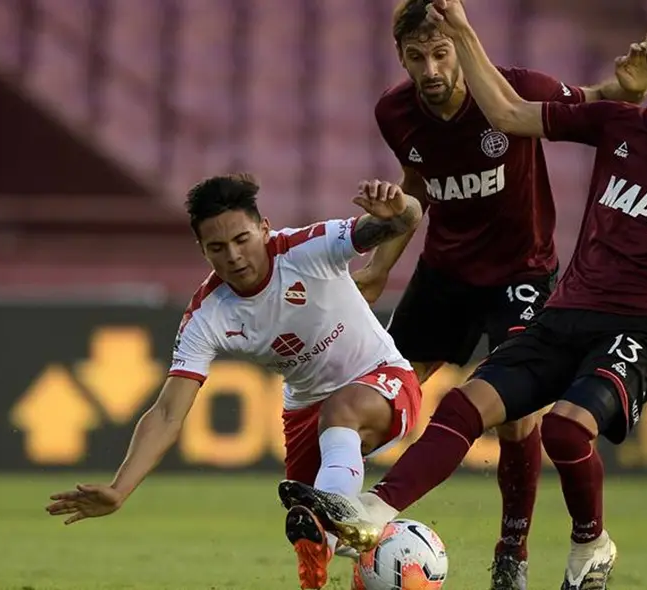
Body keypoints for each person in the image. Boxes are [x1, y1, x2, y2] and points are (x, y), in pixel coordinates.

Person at [279, 3, 647, 590]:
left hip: (638, 327)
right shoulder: (620, 125)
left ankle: (589, 543)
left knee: (561, 430)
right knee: (461, 406)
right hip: (565, 311)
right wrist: (460, 28)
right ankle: (372, 510)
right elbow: (509, 112)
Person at [348, 2, 647, 586]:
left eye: (441, 53)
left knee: (513, 417)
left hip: (522, 274)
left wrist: (625, 88)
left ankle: (512, 551)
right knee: (386, 394)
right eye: (418, 57)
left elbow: (591, 98)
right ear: (401, 58)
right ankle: (339, 513)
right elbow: (417, 183)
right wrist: (384, 262)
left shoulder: (513, 89)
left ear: (460, 48)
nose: (431, 68)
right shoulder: (395, 112)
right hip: (444, 274)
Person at [45, 174, 425, 590]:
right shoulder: (208, 315)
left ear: (264, 229)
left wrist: (400, 208)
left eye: (242, 239)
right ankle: (369, 549)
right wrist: (120, 489)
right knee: (311, 542)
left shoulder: (308, 247)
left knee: (341, 419)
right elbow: (170, 411)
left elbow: (404, 219)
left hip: (382, 376)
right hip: (305, 412)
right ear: (202, 250)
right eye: (217, 248)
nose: (234, 257)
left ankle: (341, 512)